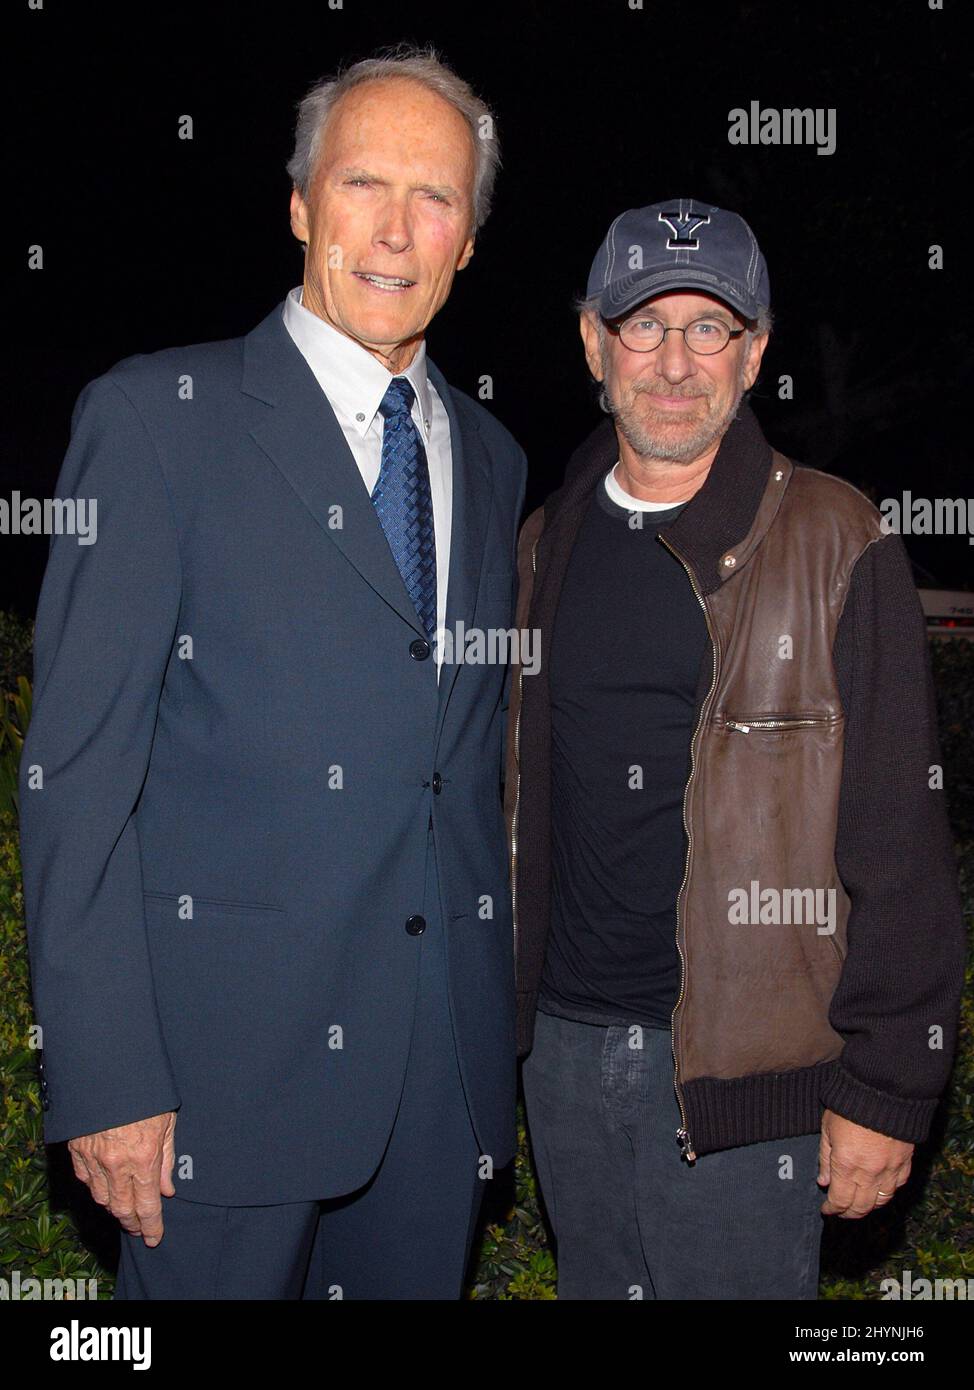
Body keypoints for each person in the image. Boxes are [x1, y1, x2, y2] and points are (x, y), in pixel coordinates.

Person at [19, 45, 526, 1300]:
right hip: (216, 1086)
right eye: (362, 185)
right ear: (299, 206)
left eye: (437, 197)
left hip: (439, 1087)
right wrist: (109, 1075)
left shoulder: (496, 457)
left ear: (469, 239)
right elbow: (74, 781)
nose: (397, 231)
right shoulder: (156, 421)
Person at [503, 198, 966, 1300]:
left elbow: (899, 836)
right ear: (589, 343)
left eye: (706, 327)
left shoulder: (835, 537)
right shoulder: (539, 540)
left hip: (747, 1086)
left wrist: (886, 1087)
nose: (672, 361)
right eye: (642, 324)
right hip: (561, 1058)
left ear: (754, 352)